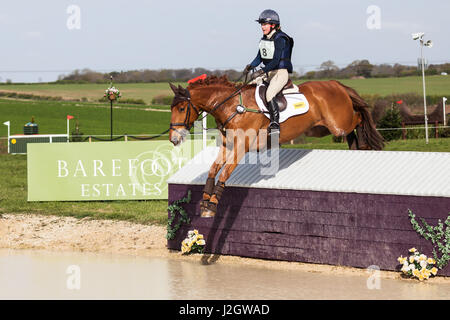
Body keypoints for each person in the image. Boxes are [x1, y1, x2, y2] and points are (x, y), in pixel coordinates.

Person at [244, 9, 294, 135]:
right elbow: (259, 58)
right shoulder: (264, 39)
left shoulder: (280, 39)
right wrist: (250, 66)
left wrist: (260, 71)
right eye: (261, 24)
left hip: (280, 72)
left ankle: (275, 123)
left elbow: (276, 61)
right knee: (249, 87)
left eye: (265, 24)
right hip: (268, 72)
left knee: (270, 93)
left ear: (273, 25)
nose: (262, 27)